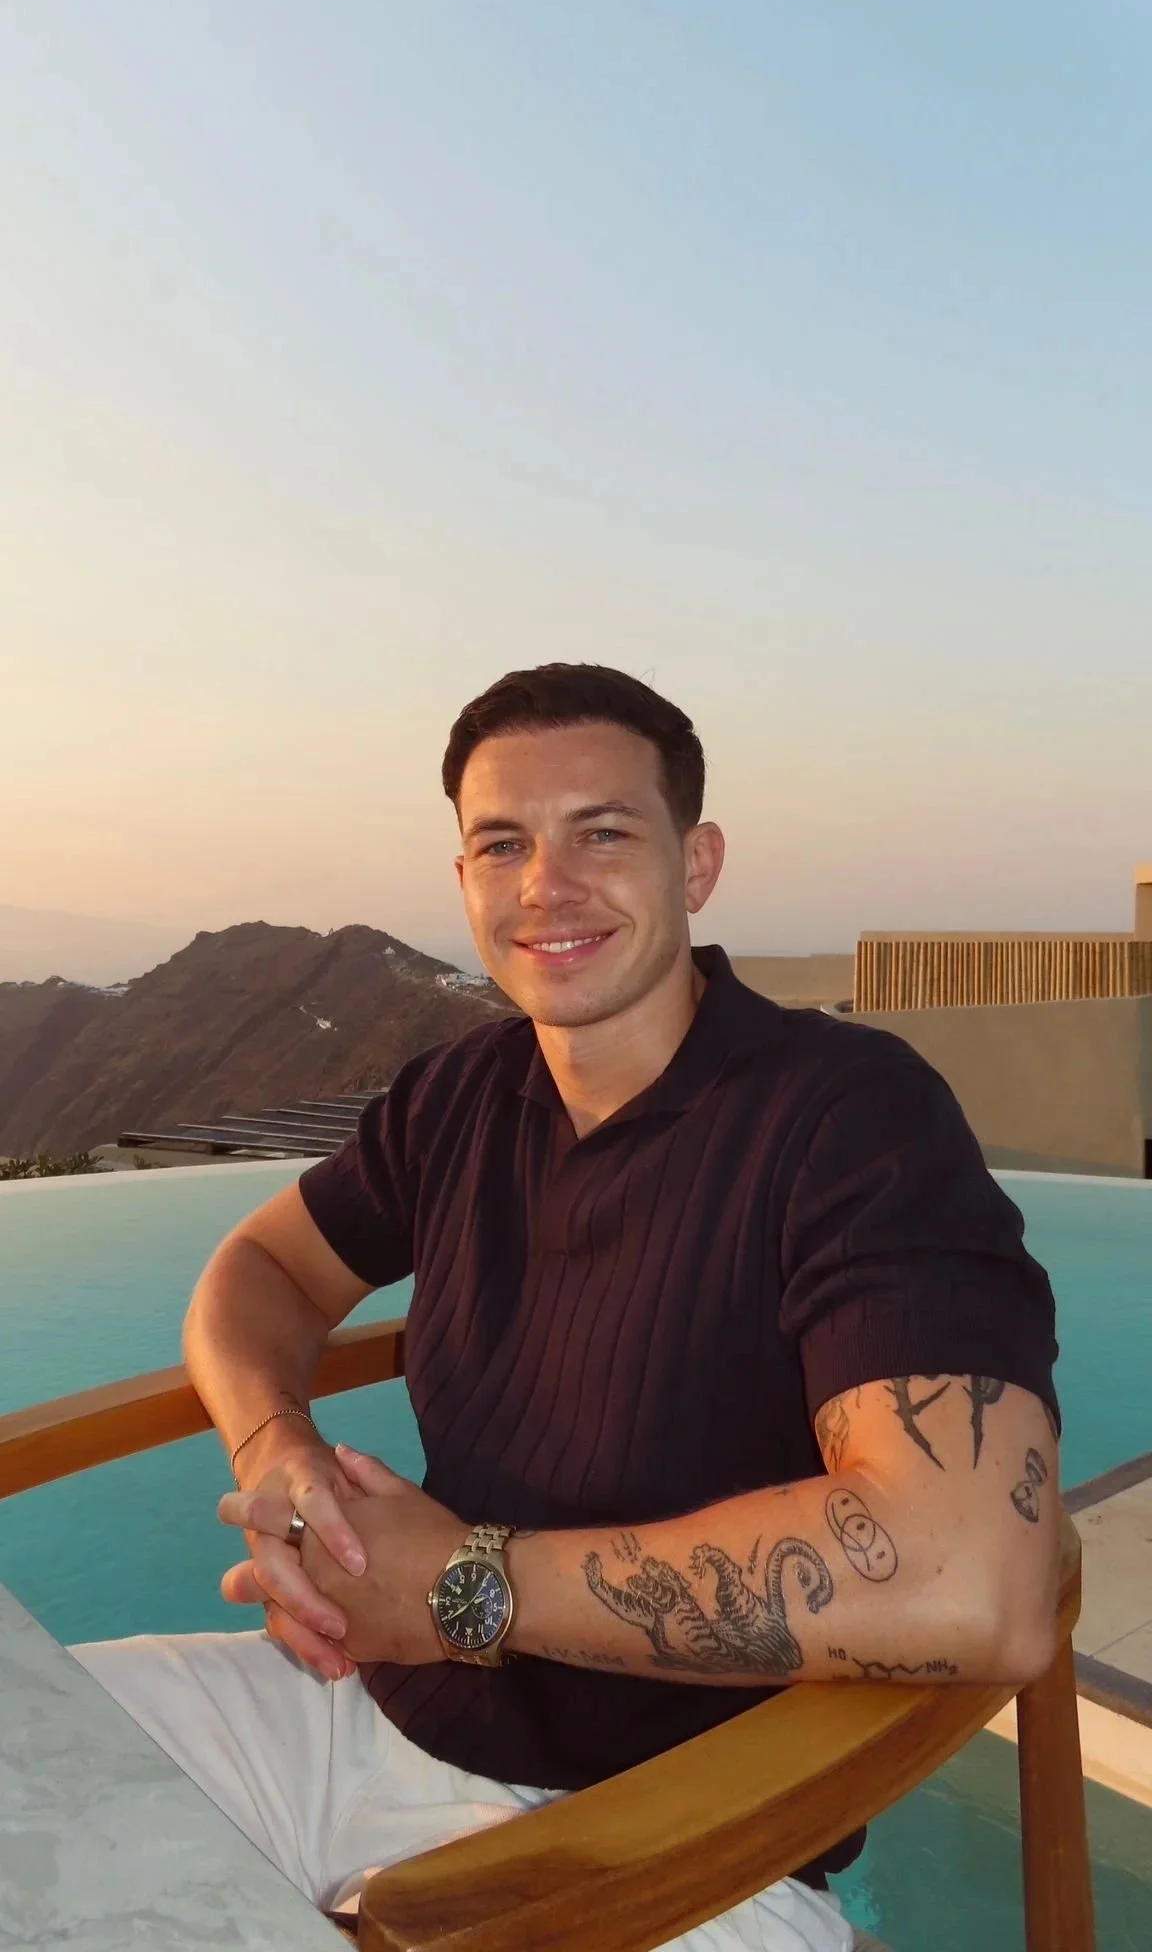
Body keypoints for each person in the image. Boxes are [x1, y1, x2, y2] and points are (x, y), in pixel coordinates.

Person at [74, 664, 1061, 1952]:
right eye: (503, 843)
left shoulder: (848, 1119)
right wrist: (280, 1453)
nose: (548, 882)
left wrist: (464, 1589)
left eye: (603, 830)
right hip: (356, 1713)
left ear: (695, 863)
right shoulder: (457, 1099)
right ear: (466, 880)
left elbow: (975, 1579)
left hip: (695, 1830)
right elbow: (260, 1272)